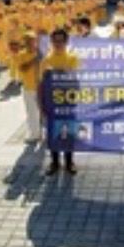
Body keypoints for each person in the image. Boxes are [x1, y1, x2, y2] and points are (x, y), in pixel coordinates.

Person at [40, 28, 81, 175]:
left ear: (66, 41)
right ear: (51, 42)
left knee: (70, 133)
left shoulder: (73, 57)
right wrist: (41, 105)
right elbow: (41, 85)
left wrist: (57, 73)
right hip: (52, 104)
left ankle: (69, 162)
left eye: (61, 41)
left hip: (69, 102)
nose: (58, 44)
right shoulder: (46, 60)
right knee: (53, 134)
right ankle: (55, 162)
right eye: (55, 41)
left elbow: (75, 79)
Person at [16, 31, 43, 143]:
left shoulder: (42, 53)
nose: (31, 44)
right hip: (29, 87)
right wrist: (34, 60)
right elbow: (22, 68)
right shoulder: (21, 54)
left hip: (42, 87)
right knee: (32, 112)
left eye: (32, 41)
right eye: (28, 42)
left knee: (44, 112)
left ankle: (46, 133)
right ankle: (34, 134)